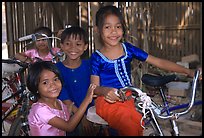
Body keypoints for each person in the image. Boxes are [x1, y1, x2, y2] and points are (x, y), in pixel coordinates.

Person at [90, 5, 198, 136]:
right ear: (97, 30)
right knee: (128, 125)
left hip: (127, 98)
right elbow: (94, 89)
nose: (114, 32)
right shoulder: (97, 58)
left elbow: (159, 62)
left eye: (118, 27)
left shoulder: (128, 49)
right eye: (108, 27)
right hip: (106, 101)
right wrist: (105, 91)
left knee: (138, 123)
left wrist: (188, 72)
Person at [26, 61, 95, 136]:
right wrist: (87, 100)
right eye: (45, 82)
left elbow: (65, 118)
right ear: (35, 87)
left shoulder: (59, 103)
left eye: (55, 79)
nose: (53, 85)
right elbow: (69, 127)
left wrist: (69, 110)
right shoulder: (40, 109)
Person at [55, 26, 96, 136]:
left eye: (78, 44)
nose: (73, 48)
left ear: (85, 47)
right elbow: (64, 97)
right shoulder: (56, 69)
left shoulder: (90, 66)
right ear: (62, 46)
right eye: (68, 44)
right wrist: (82, 117)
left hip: (92, 113)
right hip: (69, 116)